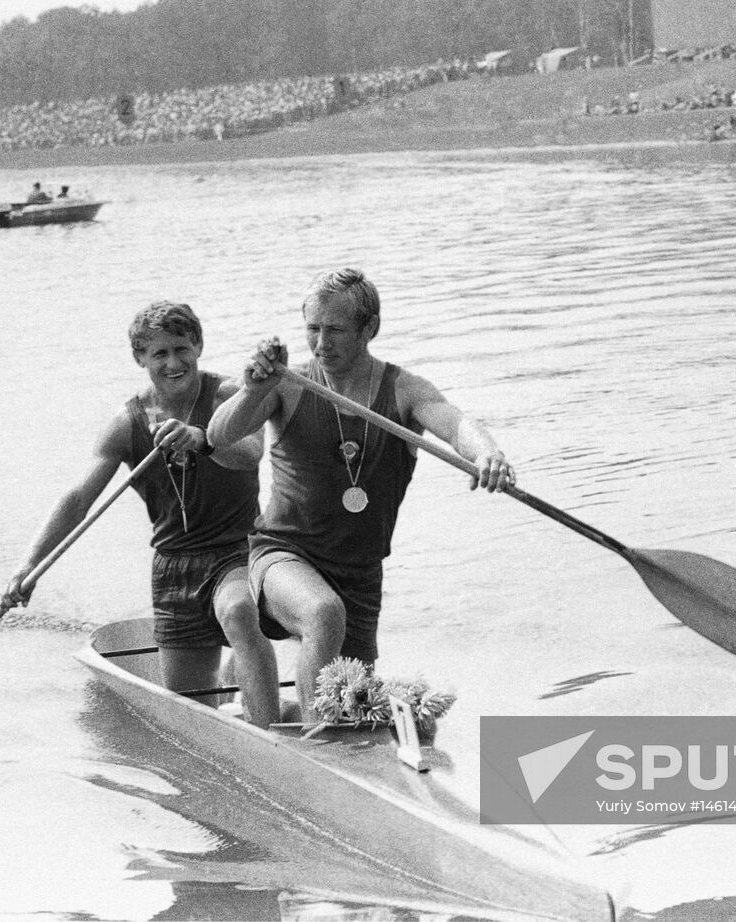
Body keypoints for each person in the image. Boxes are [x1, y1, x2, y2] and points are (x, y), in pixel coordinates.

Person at [206, 268, 516, 720]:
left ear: (369, 328)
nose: (320, 343)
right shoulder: (289, 385)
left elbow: (456, 423)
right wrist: (255, 389)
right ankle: (318, 745)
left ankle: (285, 714)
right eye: (313, 329)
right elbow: (218, 435)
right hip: (283, 556)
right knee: (323, 613)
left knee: (353, 708)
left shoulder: (404, 390)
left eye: (335, 330)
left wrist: (488, 453)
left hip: (361, 574)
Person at [0, 301, 279, 727]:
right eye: (159, 354)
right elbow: (78, 499)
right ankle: (234, 690)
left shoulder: (228, 395)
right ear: (140, 359)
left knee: (238, 612)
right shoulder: (126, 422)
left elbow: (250, 453)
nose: (173, 363)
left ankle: (269, 734)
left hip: (238, 552)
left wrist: (201, 438)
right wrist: (27, 567)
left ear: (199, 345)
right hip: (174, 569)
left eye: (182, 349)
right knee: (192, 718)